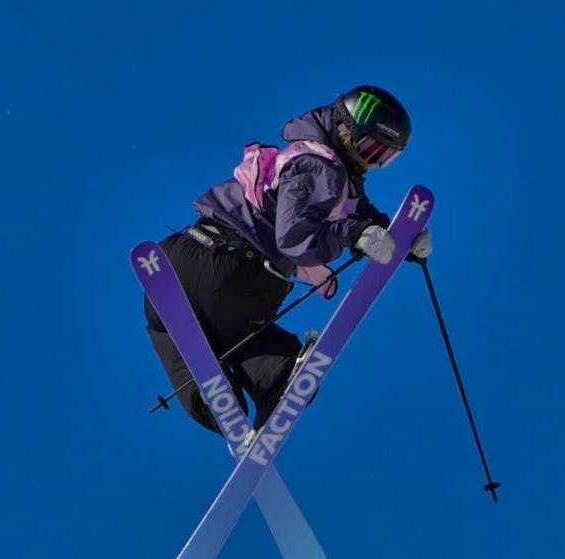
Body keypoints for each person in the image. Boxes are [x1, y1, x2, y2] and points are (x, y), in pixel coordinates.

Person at [144, 84, 431, 435]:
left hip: (178, 261)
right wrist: (352, 236)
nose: (369, 161)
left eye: (384, 157)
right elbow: (294, 236)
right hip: (236, 272)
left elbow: (367, 220)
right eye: (369, 148)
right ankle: (279, 379)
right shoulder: (323, 168)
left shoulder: (316, 168)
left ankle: (217, 402)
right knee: (261, 349)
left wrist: (402, 240)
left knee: (170, 330)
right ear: (345, 127)